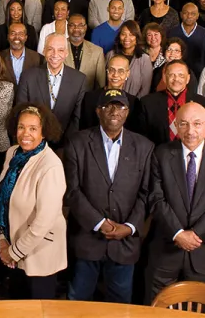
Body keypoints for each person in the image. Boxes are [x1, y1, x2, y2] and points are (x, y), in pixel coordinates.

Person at [64, 90, 152, 303]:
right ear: (98, 111)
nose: (114, 111)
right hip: (87, 239)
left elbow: (146, 193)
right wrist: (99, 223)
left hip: (125, 243)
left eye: (120, 106)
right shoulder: (77, 142)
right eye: (108, 106)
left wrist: (130, 227)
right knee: (77, 303)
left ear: (127, 112)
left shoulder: (144, 146)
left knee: (120, 308)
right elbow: (72, 191)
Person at [145, 102, 205, 303]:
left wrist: (195, 234)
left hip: (203, 251)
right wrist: (178, 233)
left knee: (199, 316)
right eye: (183, 124)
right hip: (166, 250)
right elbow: (155, 198)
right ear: (175, 125)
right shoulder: (161, 154)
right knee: (156, 312)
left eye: (197, 124)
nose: (190, 131)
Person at [0, 103, 66, 299]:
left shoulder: (51, 166)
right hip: (11, 250)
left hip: (39, 256)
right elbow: (3, 199)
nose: (25, 133)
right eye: (21, 127)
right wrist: (2, 240)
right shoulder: (12, 153)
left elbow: (43, 222)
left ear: (44, 132)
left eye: (33, 128)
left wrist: (13, 252)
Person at [16, 33, 86, 143]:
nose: (55, 54)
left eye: (60, 50)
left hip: (65, 144)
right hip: (33, 143)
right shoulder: (28, 76)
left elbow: (76, 119)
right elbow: (21, 112)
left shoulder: (79, 79)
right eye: (50, 49)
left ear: (66, 53)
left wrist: (67, 146)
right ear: (44, 51)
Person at [135, 60, 205, 146]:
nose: (176, 79)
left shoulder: (202, 103)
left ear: (188, 78)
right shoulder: (147, 102)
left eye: (181, 75)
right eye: (171, 75)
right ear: (164, 77)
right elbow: (142, 137)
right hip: (158, 155)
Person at [106, 20, 152, 99]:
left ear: (137, 37)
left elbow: (145, 89)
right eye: (123, 34)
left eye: (131, 34)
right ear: (119, 36)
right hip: (110, 101)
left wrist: (134, 104)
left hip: (135, 105)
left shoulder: (144, 59)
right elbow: (105, 81)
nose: (127, 38)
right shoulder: (110, 55)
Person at [168, 3, 205, 76]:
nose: (189, 16)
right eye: (186, 13)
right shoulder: (171, 33)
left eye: (193, 13)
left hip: (199, 75)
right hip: (175, 74)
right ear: (181, 14)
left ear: (198, 16)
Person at [0, 22, 42, 87]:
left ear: (26, 37)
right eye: (13, 33)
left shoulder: (37, 58)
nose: (17, 37)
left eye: (20, 34)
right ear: (8, 37)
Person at [143, 23, 166, 92]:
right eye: (149, 35)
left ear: (161, 36)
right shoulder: (140, 53)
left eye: (156, 34)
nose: (153, 38)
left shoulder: (167, 54)